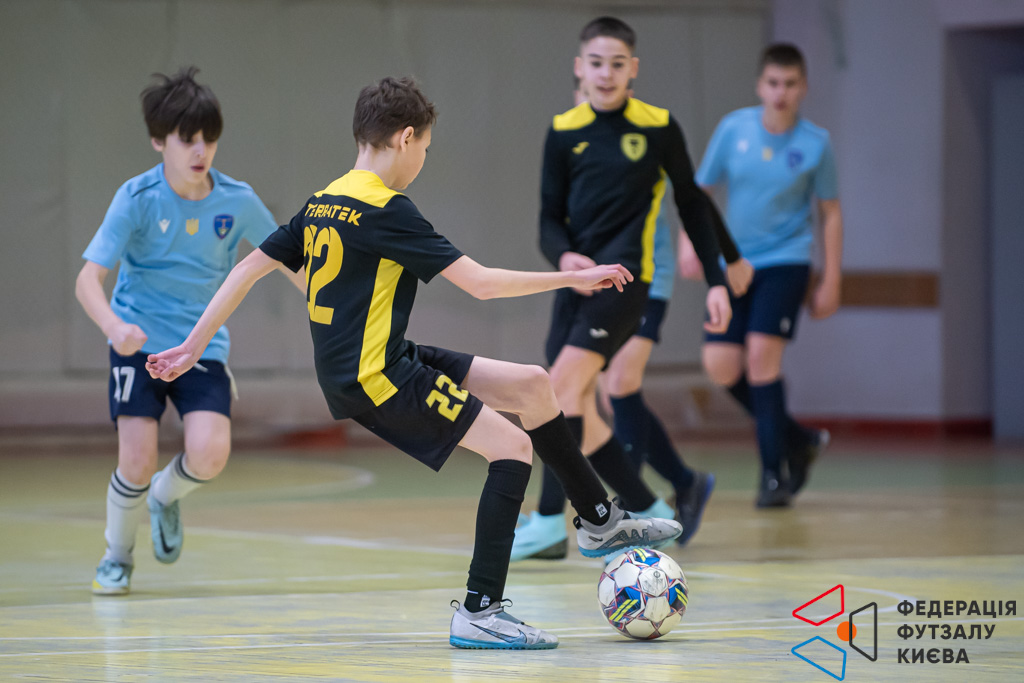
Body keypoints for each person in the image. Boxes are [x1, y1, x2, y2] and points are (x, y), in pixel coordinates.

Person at [145, 76, 682, 650]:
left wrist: (192, 345)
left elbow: (248, 268)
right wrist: (574, 278)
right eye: (424, 147)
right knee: (511, 448)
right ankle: (480, 611)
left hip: (379, 358)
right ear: (405, 139)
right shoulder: (387, 210)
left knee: (532, 385)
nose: (423, 159)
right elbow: (481, 284)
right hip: (376, 377)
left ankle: (599, 521)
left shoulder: (324, 200)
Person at [512, 16, 751, 560]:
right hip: (573, 285)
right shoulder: (564, 130)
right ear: (580, 68)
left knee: (557, 391)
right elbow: (548, 219)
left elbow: (693, 204)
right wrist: (562, 257)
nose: (606, 73)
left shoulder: (659, 127)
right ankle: (650, 506)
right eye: (596, 63)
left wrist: (718, 279)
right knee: (582, 412)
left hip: (625, 284)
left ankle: (549, 520)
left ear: (633, 69)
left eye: (617, 64)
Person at [75, 67, 306, 596]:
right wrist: (114, 326)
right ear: (159, 141)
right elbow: (88, 280)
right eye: (187, 139)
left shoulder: (237, 200)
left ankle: (165, 495)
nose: (201, 150)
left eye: (209, 139)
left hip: (200, 346)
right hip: (137, 347)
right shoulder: (137, 198)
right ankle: (116, 557)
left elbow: (289, 261)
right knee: (135, 460)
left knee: (209, 454)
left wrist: (334, 305)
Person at [683, 43, 842, 507]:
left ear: (803, 87)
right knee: (720, 365)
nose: (780, 93)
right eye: (773, 83)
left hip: (787, 261)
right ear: (760, 85)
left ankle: (773, 477)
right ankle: (798, 439)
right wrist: (690, 244)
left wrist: (832, 278)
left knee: (760, 360)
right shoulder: (733, 129)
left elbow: (830, 212)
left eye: (790, 84)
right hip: (735, 263)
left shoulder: (816, 143)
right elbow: (698, 191)